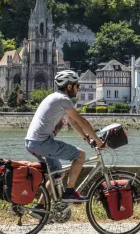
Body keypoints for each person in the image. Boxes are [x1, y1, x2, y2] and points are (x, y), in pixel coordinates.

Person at [24, 70, 104, 202]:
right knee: (80, 155)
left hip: (31, 142)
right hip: (42, 143)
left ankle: (39, 207)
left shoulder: (55, 98)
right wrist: (99, 141)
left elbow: (73, 123)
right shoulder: (63, 99)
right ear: (69, 86)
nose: (78, 89)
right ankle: (70, 192)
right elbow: (82, 121)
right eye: (76, 85)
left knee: (57, 174)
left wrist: (87, 138)